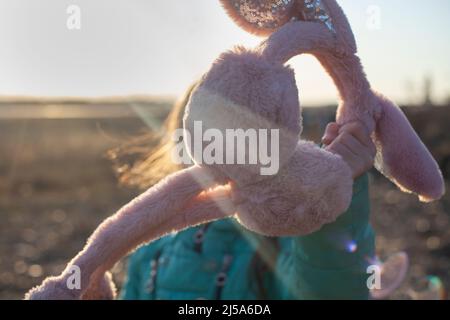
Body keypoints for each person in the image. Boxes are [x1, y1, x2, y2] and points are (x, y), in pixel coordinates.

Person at [111, 83, 377, 300]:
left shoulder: (277, 243)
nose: (221, 157)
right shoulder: (149, 249)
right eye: (201, 138)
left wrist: (330, 189)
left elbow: (329, 289)